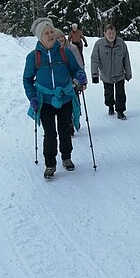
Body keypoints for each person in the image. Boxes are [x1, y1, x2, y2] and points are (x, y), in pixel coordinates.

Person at [23, 17, 87, 179]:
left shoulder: (64, 52)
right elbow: (27, 79)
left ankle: (66, 158)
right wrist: (32, 97)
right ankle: (50, 164)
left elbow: (75, 69)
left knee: (65, 129)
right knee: (50, 133)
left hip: (65, 97)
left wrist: (80, 75)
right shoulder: (33, 57)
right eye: (46, 33)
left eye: (52, 31)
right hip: (45, 100)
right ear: (40, 37)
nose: (50, 35)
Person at [90, 24, 132, 119]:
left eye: (113, 33)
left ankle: (120, 111)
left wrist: (128, 73)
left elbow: (126, 59)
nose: (111, 35)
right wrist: (94, 75)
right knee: (108, 94)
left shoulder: (121, 44)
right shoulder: (99, 44)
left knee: (120, 94)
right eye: (109, 33)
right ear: (104, 33)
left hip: (119, 74)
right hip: (106, 75)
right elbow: (94, 60)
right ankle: (110, 106)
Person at [55, 28, 86, 137]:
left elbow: (79, 65)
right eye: (57, 37)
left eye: (61, 37)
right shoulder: (53, 52)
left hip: (73, 83)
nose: (60, 39)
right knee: (64, 107)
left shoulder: (72, 48)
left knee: (74, 104)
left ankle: (74, 120)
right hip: (61, 85)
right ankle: (69, 126)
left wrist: (82, 81)